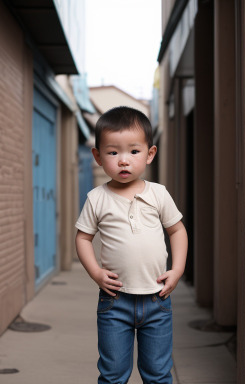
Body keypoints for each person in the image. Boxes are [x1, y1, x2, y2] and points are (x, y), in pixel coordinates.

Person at [75, 106, 188, 384]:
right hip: (115, 301)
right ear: (98, 156)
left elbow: (177, 230)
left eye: (133, 152)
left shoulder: (158, 194)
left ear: (150, 154)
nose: (123, 161)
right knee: (113, 374)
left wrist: (177, 269)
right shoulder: (96, 198)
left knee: (159, 374)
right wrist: (96, 273)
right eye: (113, 152)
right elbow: (83, 238)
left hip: (157, 299)